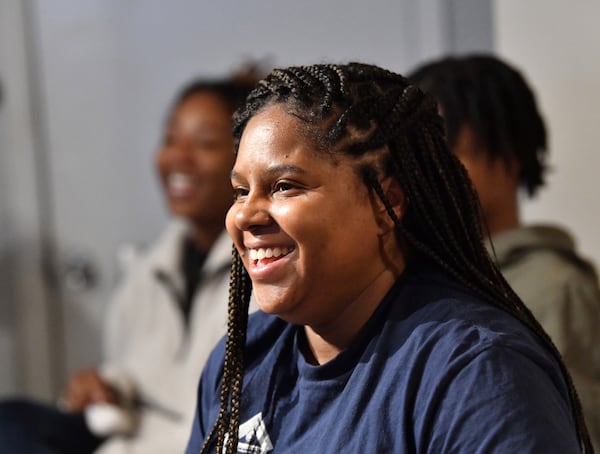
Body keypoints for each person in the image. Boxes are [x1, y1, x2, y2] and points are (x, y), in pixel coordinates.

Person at [184, 62, 593, 454]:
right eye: (240, 192)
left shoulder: (478, 370)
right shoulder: (241, 359)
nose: (247, 216)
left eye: (285, 186)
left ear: (387, 204)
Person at [0, 70, 258, 453]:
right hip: (124, 442)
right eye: (171, 139)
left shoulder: (263, 273)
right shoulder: (150, 269)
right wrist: (108, 388)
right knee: (11, 422)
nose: (179, 157)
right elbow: (138, 375)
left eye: (204, 143)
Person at [409, 54, 600, 451]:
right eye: (417, 159)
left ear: (508, 154)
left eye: (449, 152)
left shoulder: (555, 288)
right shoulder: (408, 280)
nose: (430, 175)